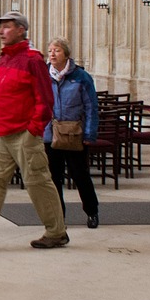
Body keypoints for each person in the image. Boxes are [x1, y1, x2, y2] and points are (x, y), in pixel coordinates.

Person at [0, 12, 69, 251]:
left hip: (24, 132)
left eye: (6, 27)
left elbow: (45, 99)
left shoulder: (33, 60)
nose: (1, 31)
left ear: (20, 30)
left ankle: (56, 232)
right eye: (1, 27)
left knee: (37, 181)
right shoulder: (4, 60)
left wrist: (34, 128)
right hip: (0, 131)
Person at [44, 40, 100, 229]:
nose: (52, 54)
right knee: (53, 178)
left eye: (56, 51)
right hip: (50, 133)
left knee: (80, 175)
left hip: (74, 132)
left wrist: (90, 133)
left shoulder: (81, 77)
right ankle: (59, 217)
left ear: (66, 54)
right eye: (50, 51)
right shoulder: (43, 76)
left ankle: (92, 211)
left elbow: (91, 107)